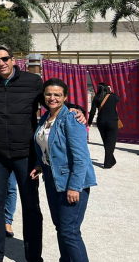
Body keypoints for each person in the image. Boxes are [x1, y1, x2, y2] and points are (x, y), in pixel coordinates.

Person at [0, 44, 86, 262]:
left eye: (5, 58)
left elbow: (52, 101)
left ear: (13, 60)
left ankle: (33, 256)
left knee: (31, 207)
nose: (1, 63)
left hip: (25, 155)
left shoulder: (32, 82)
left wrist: (77, 109)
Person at [31, 79, 96, 262]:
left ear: (65, 97)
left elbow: (82, 158)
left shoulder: (72, 119)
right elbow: (46, 146)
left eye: (57, 95)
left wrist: (75, 187)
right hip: (53, 179)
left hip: (72, 182)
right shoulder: (45, 118)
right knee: (61, 227)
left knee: (70, 232)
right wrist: (39, 164)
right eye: (49, 94)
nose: (52, 98)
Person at [88, 82, 121, 169]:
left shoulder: (96, 97)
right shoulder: (113, 96)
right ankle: (107, 163)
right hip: (112, 122)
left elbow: (92, 111)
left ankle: (112, 160)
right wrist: (111, 91)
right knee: (111, 143)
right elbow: (119, 99)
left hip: (101, 121)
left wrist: (89, 122)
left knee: (106, 142)